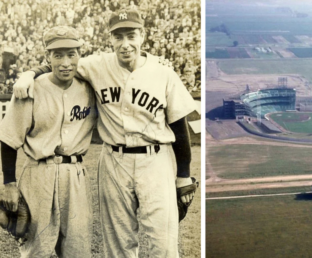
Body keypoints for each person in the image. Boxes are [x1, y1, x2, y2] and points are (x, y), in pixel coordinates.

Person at [14, 7, 197, 258]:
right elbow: (60, 62)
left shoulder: (164, 73)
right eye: (118, 37)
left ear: (142, 35)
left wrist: (184, 174)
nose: (125, 44)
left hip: (156, 160)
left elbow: (180, 125)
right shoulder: (95, 66)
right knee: (117, 243)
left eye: (131, 35)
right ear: (110, 39)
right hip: (113, 160)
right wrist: (29, 74)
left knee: (162, 243)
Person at [0, 26, 97, 257]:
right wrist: (10, 184)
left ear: (79, 55)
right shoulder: (31, 88)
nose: (65, 62)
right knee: (36, 250)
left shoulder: (89, 87)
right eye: (58, 55)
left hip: (75, 175)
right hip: (38, 174)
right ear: (47, 57)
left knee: (78, 249)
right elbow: (8, 139)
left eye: (71, 54)